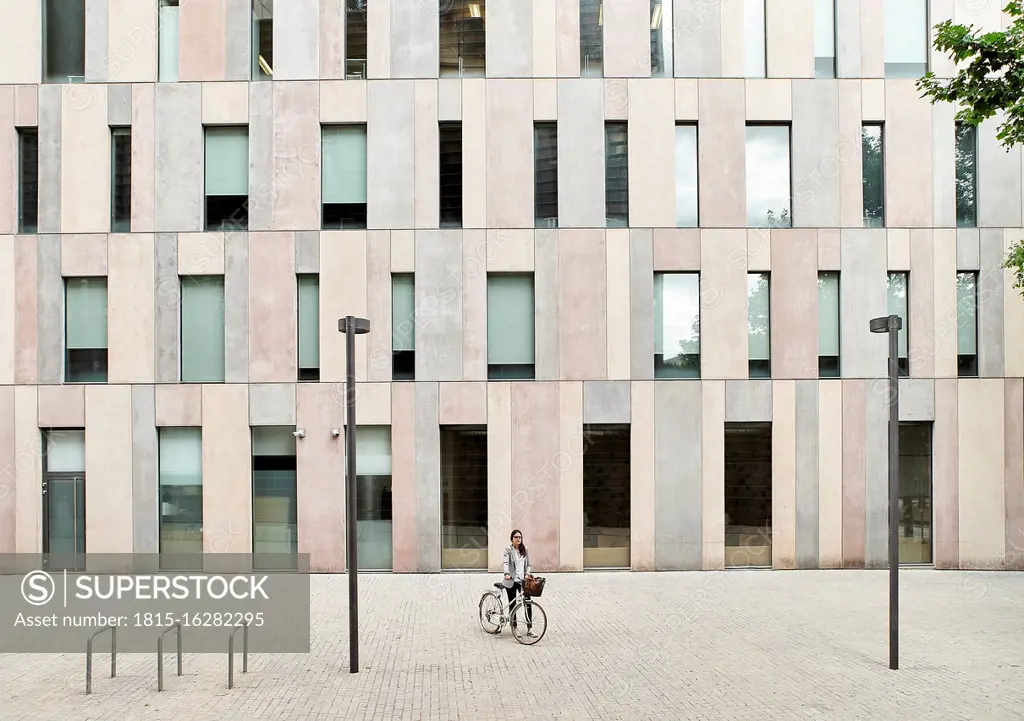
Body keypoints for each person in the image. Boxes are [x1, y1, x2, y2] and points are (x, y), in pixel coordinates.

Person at [502, 529, 534, 636]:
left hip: (522, 581)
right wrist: (506, 573)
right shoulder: (508, 550)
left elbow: (529, 564)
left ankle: (529, 628)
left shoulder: (525, 549)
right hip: (511, 581)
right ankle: (514, 627)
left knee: (527, 603)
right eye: (516, 537)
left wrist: (527, 574)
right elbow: (506, 562)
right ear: (512, 539)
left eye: (520, 537)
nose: (518, 539)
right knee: (513, 604)